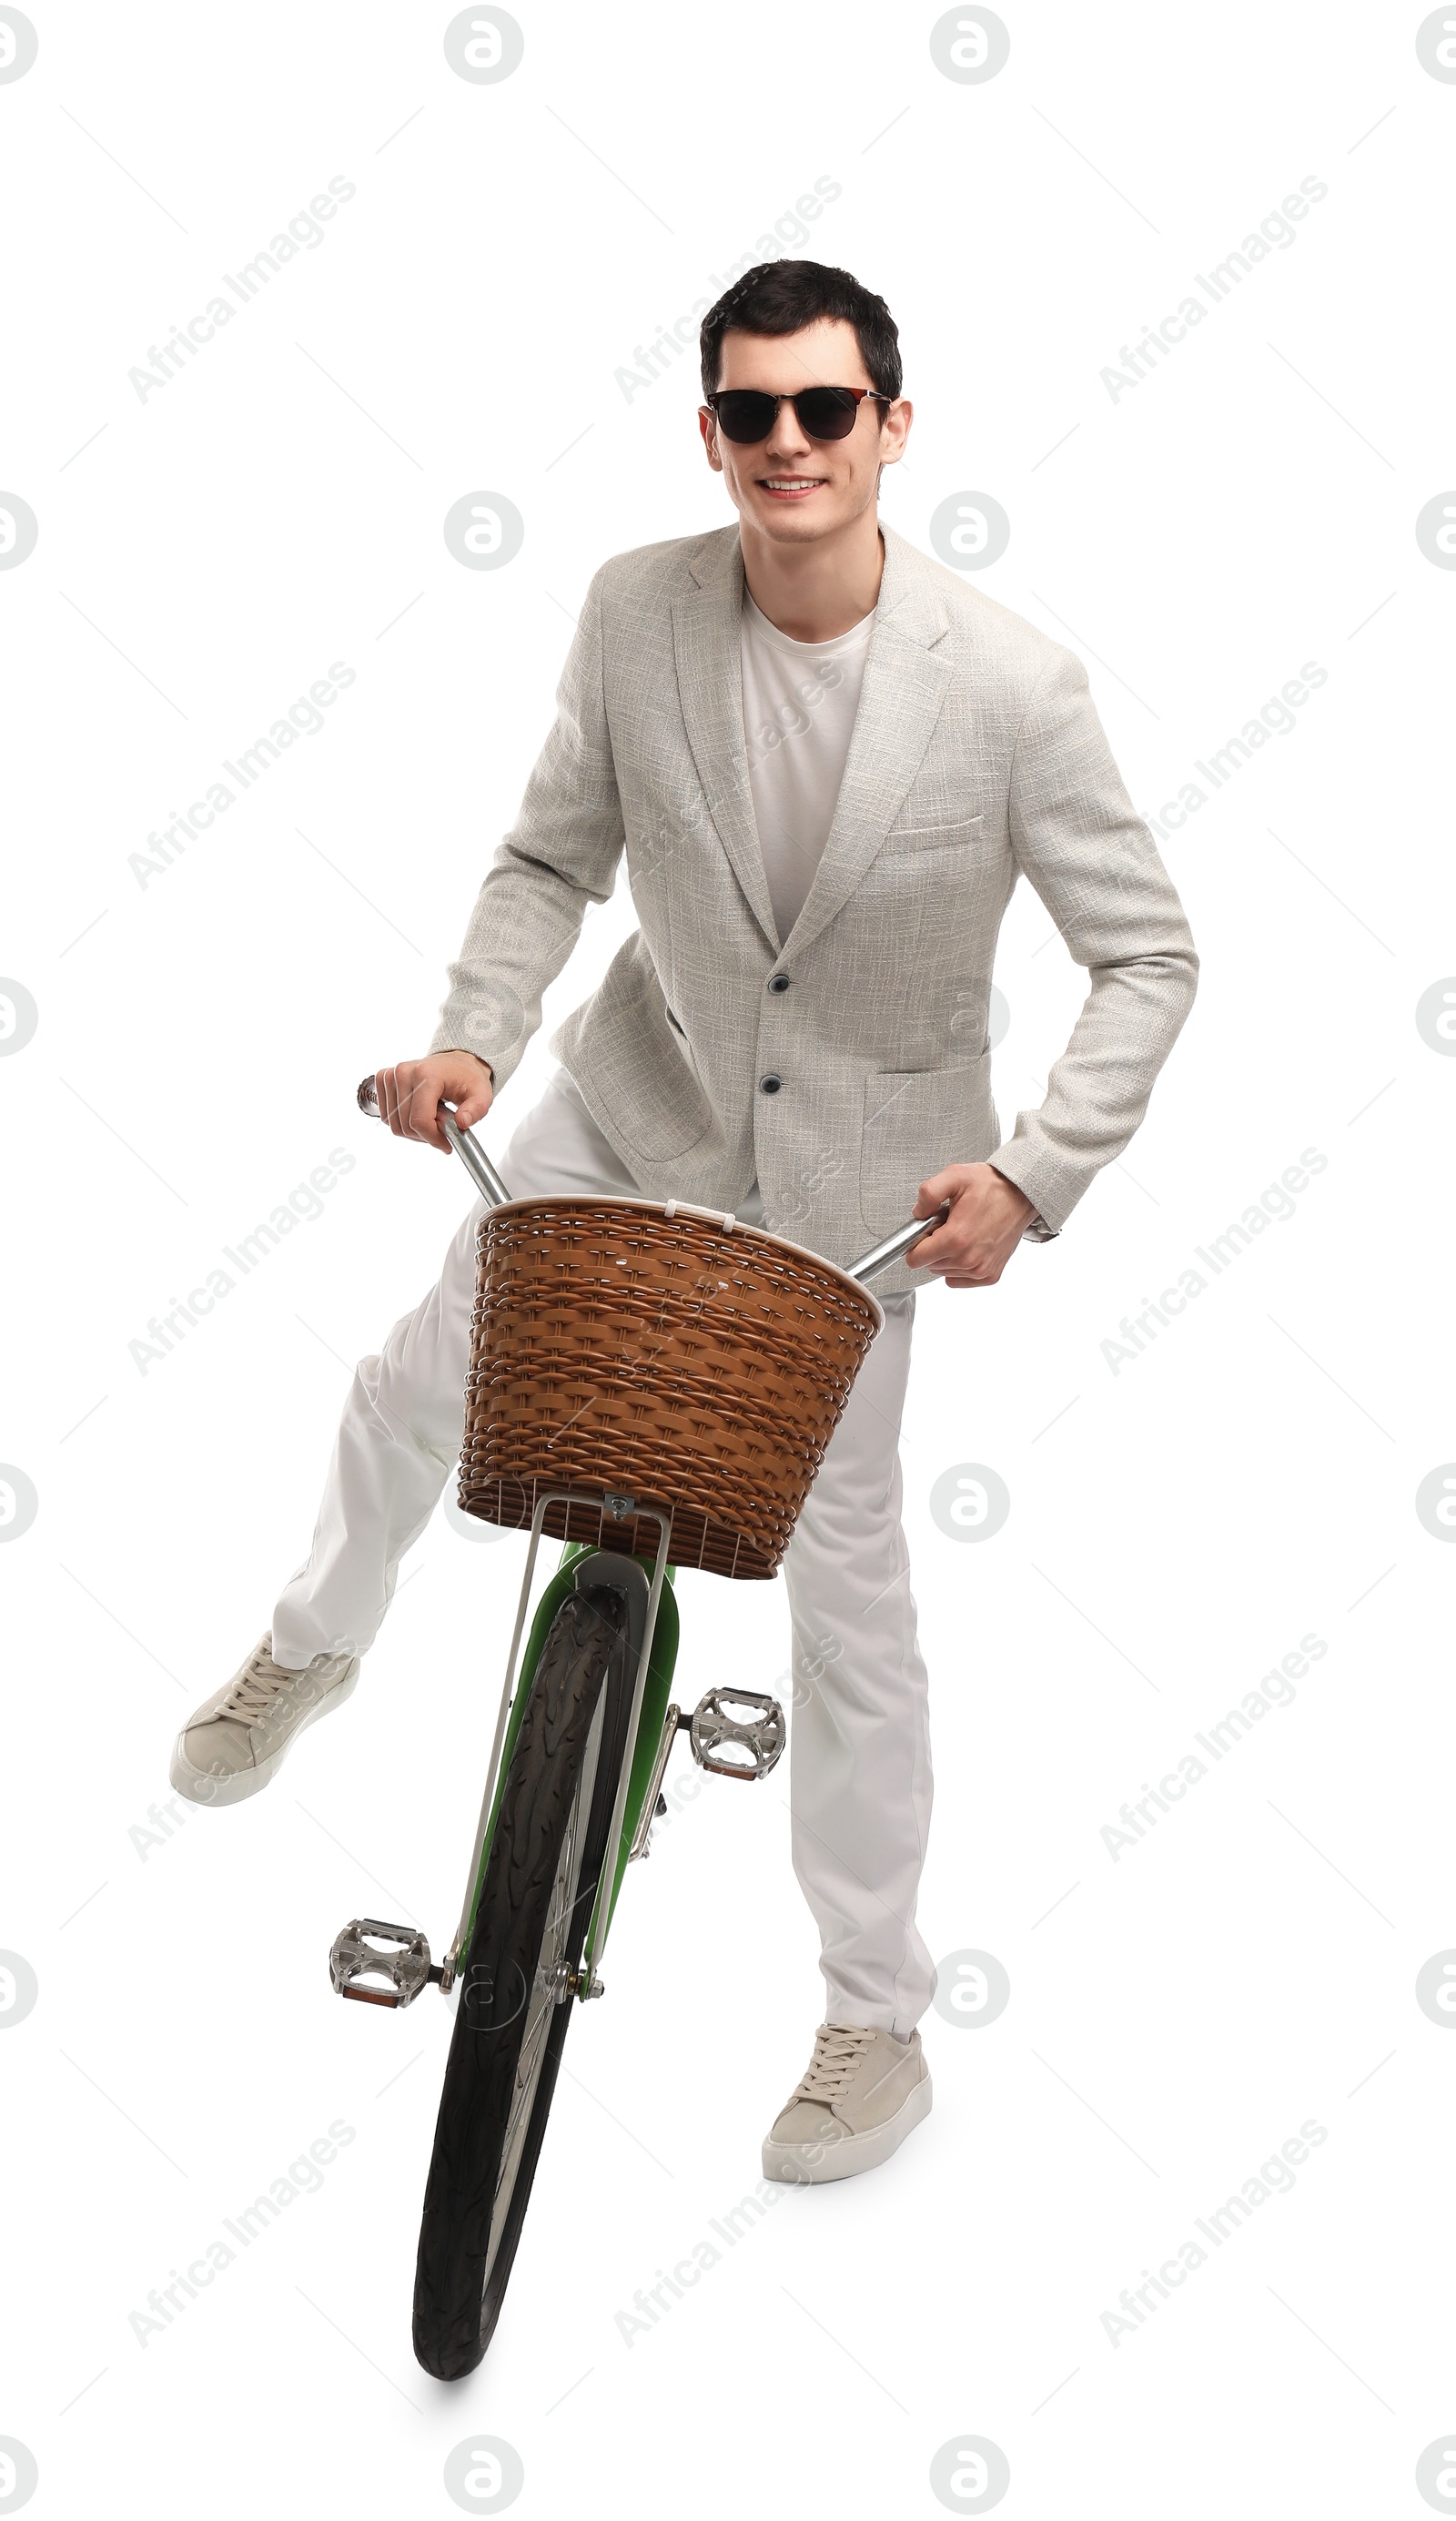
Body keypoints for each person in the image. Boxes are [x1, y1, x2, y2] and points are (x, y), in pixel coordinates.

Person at [170, 260, 1198, 2184]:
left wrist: (1033, 1172)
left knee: (851, 1592)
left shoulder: (1014, 683)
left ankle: (872, 2018)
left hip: (862, 1201)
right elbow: (553, 848)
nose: (786, 442)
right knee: (417, 1372)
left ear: (894, 425)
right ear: (709, 430)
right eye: (750, 411)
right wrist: (472, 1041)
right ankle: (313, 1640)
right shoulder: (633, 608)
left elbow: (1143, 952)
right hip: (631, 1094)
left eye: (824, 407)